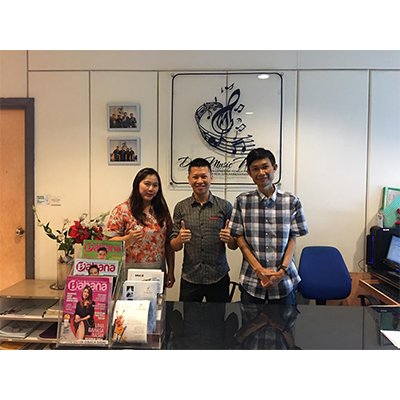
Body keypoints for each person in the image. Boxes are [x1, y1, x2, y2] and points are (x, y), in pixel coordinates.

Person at [229, 148, 308, 305]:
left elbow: (292, 238)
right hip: (252, 280)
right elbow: (239, 238)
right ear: (249, 173)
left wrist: (282, 271)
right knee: (249, 321)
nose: (261, 172)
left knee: (285, 321)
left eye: (265, 167)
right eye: (255, 169)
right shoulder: (242, 201)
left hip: (284, 281)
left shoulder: (292, 201)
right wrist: (259, 270)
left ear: (274, 168)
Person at [170, 158, 237, 302]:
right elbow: (174, 246)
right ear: (189, 179)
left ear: (211, 177)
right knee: (188, 316)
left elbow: (234, 245)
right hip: (190, 277)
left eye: (204, 176)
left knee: (219, 316)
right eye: (195, 177)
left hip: (218, 276)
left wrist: (229, 239)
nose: (199, 181)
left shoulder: (225, 206)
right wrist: (179, 239)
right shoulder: (181, 207)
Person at [105, 167, 175, 288]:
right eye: (147, 184)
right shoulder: (122, 210)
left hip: (157, 272)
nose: (151, 189)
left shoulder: (161, 211)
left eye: (155, 185)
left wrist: (171, 271)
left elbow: (168, 243)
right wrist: (128, 239)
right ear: (137, 184)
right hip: (129, 273)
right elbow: (108, 245)